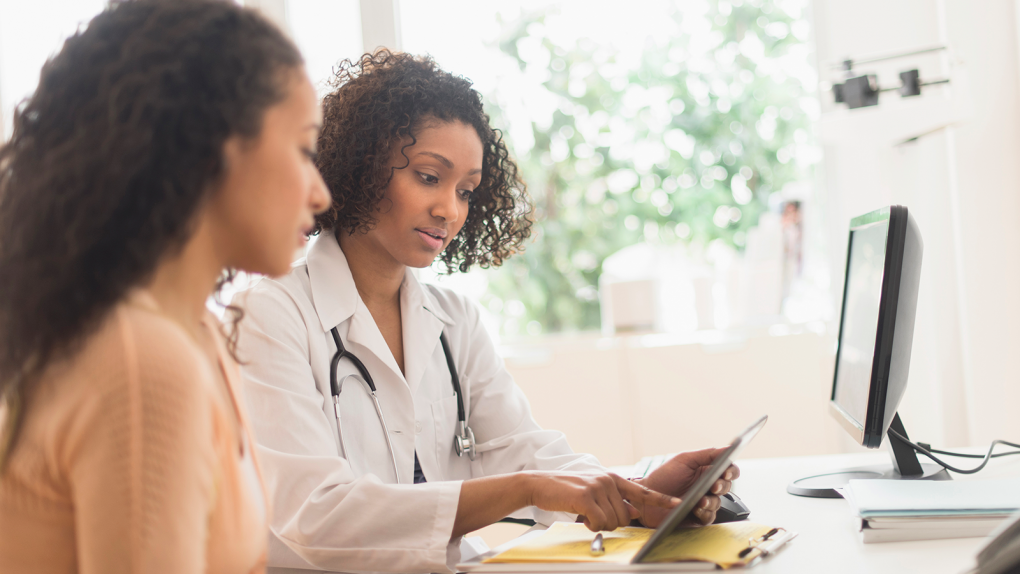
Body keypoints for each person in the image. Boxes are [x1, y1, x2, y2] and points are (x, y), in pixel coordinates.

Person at [236, 50, 739, 574]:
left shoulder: (454, 320)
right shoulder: (269, 316)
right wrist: (525, 489)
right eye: (430, 177)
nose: (449, 210)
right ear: (361, 165)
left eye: (466, 191)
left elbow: (524, 452)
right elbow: (318, 517)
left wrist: (638, 494)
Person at [0, 0, 330, 571]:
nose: (321, 193)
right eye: (303, 150)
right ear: (216, 148)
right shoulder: (142, 361)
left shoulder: (197, 332)